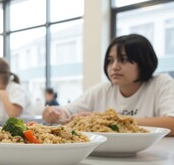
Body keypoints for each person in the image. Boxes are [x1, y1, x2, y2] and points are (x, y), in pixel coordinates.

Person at [42, 34, 174, 136]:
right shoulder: (103, 90)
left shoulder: (161, 83)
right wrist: (52, 112)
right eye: (110, 61)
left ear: (144, 61)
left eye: (124, 59)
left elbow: (171, 123)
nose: (115, 67)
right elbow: (68, 111)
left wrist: (102, 119)